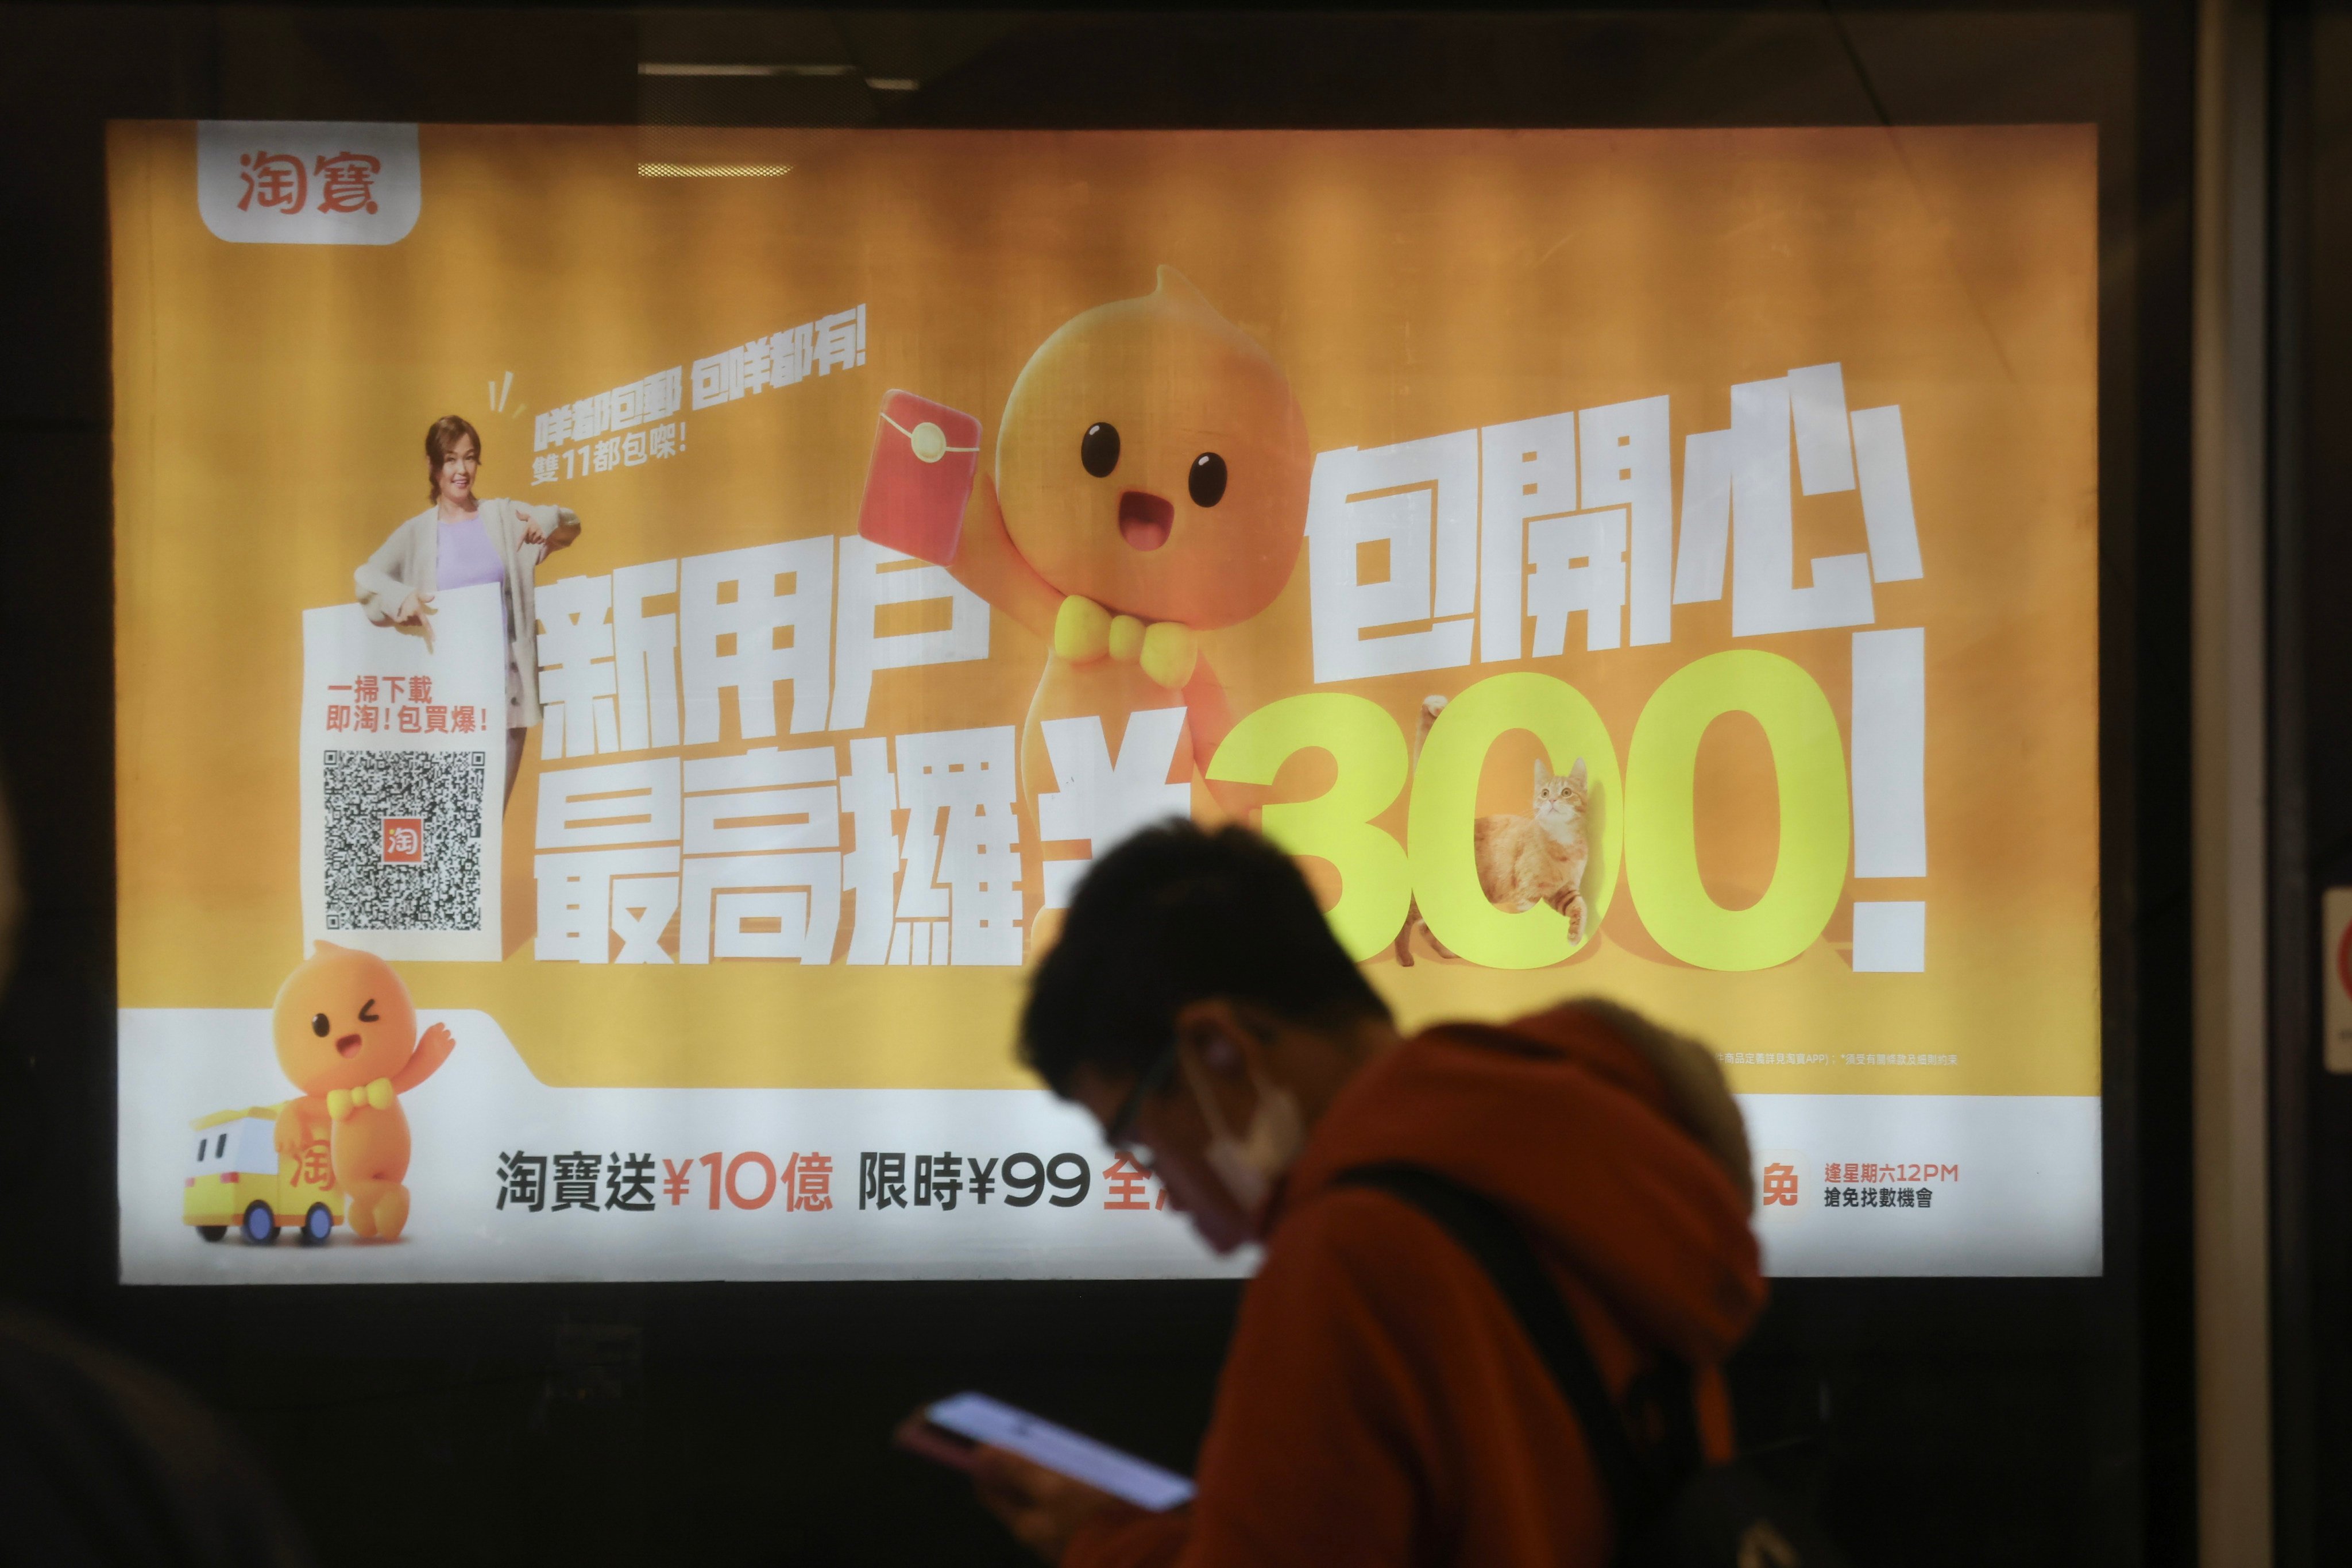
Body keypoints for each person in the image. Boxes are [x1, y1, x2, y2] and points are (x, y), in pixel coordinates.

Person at [976, 821, 1767, 1567]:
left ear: (1217, 1047)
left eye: (1135, 1138)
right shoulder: (1594, 1155)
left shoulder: (1348, 1256)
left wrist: (1099, 1543)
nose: (1154, 1182)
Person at [353, 415, 581, 804]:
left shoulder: (503, 518)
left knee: (488, 822)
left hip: (503, 696)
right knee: (446, 817)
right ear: (433, 466)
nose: (461, 470)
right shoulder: (417, 533)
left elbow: (570, 525)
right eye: (450, 459)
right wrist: (401, 598)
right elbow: (366, 578)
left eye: (470, 458)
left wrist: (547, 519)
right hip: (446, 699)